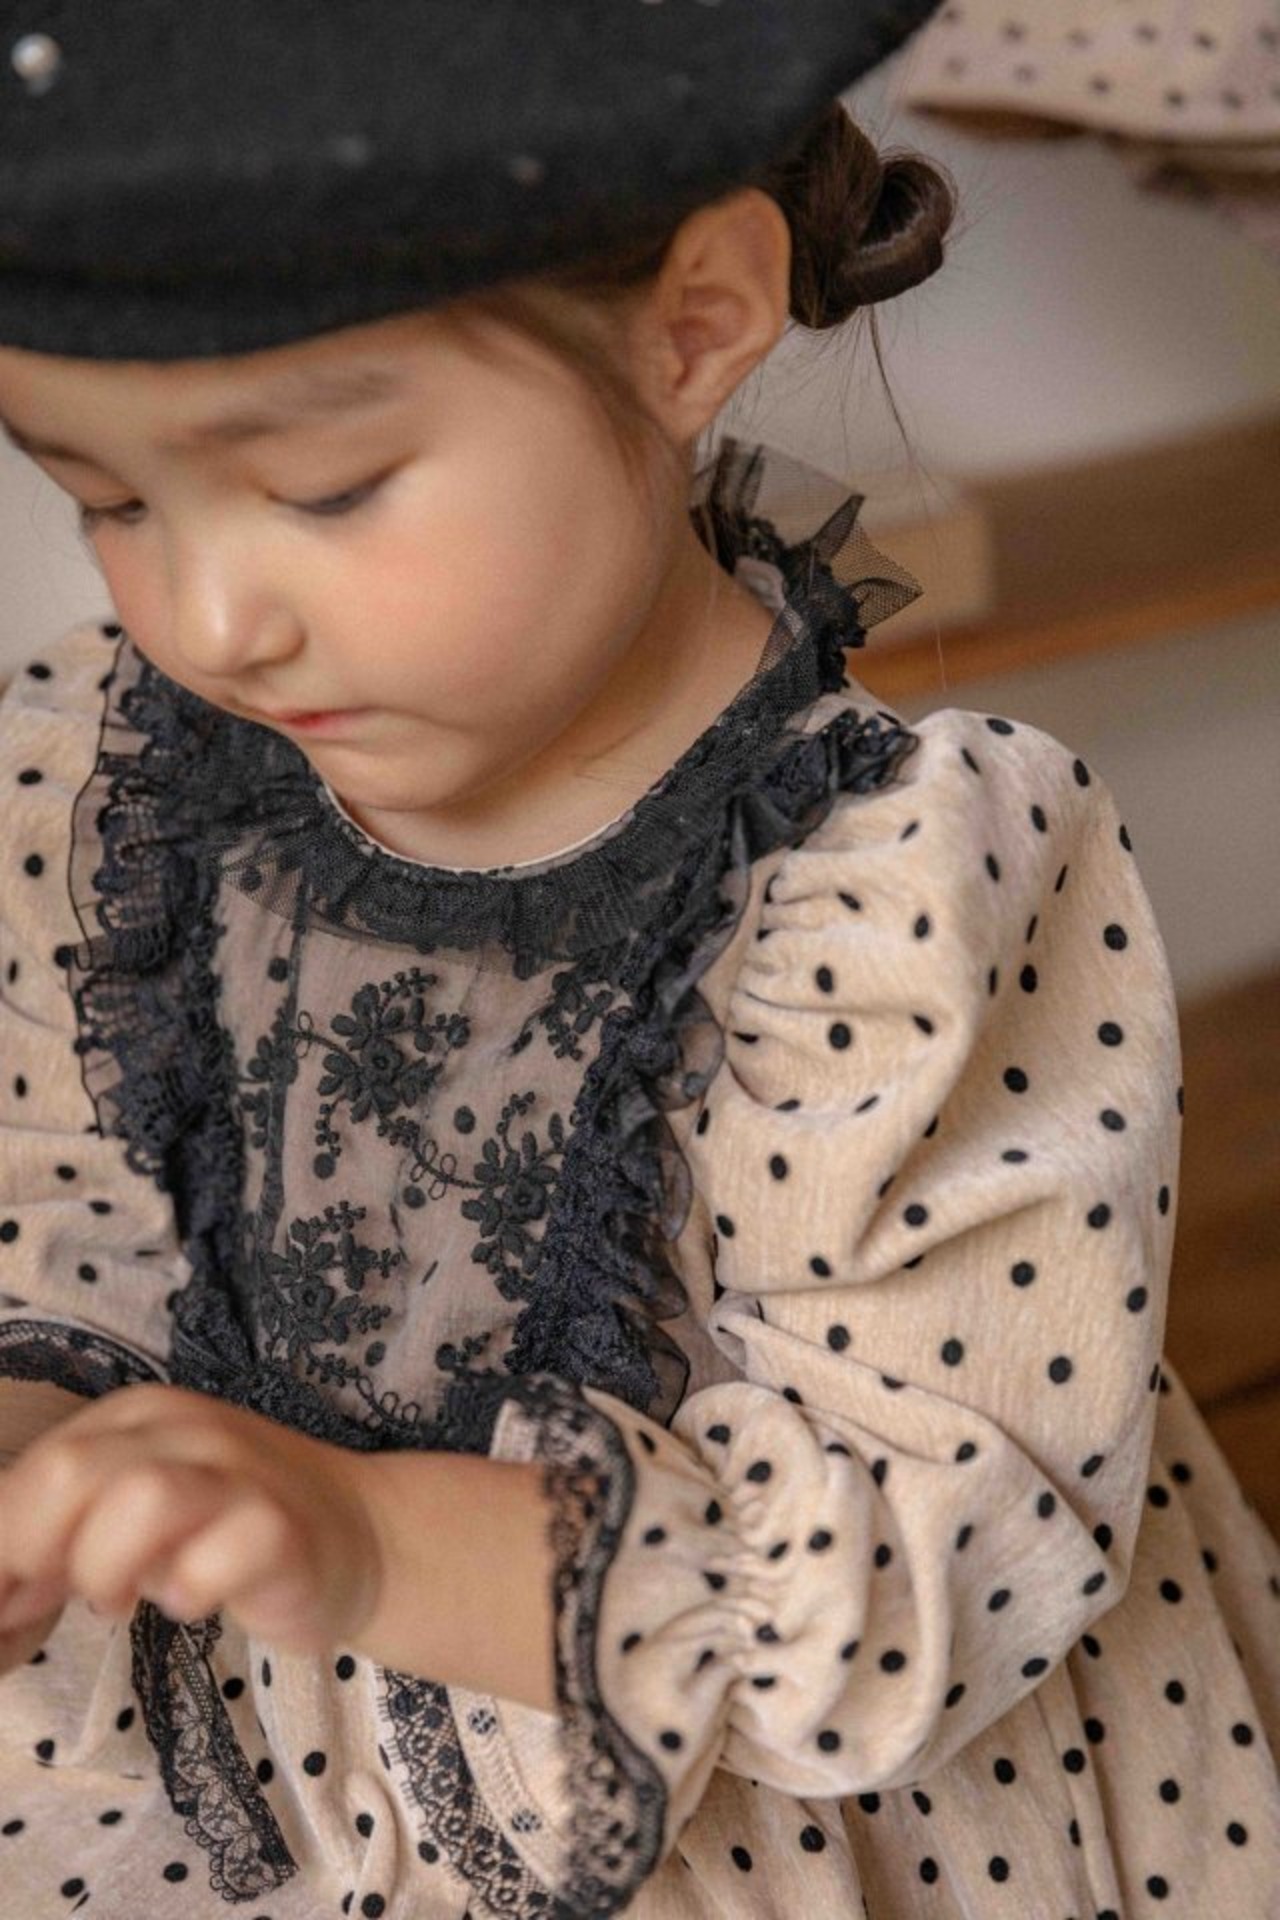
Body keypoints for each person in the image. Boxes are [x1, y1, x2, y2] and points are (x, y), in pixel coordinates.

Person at [0, 5, 1275, 1916]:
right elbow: (73, 1221)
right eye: (106, 500)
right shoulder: (111, 791)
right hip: (261, 1780)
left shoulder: (890, 901)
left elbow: (915, 1555)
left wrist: (366, 1540)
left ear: (692, 328)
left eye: (327, 488)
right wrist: (39, 1460)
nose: (210, 615)